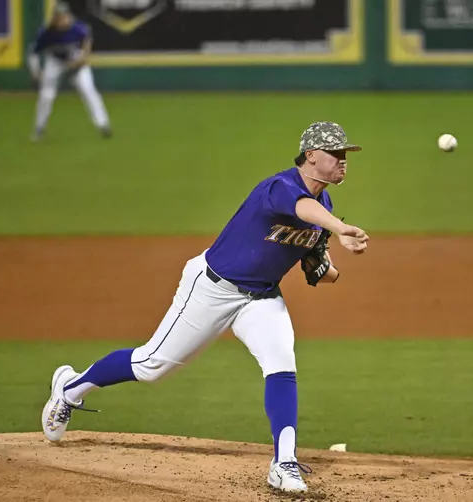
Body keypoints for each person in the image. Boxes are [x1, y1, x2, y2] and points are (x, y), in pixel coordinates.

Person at [41, 121, 369, 493]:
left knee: (282, 366)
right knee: (151, 366)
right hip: (212, 288)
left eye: (346, 155)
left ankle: (284, 462)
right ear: (311, 156)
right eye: (336, 153)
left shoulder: (325, 203)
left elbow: (315, 263)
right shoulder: (282, 187)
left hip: (260, 298)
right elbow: (300, 208)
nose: (344, 161)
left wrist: (331, 267)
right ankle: (70, 387)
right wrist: (339, 229)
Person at [27, 2, 111, 141]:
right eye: (58, 17)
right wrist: (36, 72)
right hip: (55, 63)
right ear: (54, 17)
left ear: (69, 16)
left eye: (64, 16)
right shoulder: (46, 33)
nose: (61, 20)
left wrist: (81, 61)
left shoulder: (79, 29)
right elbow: (32, 53)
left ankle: (103, 125)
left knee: (88, 90)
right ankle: (39, 128)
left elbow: (87, 45)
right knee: (46, 96)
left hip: (75, 61)